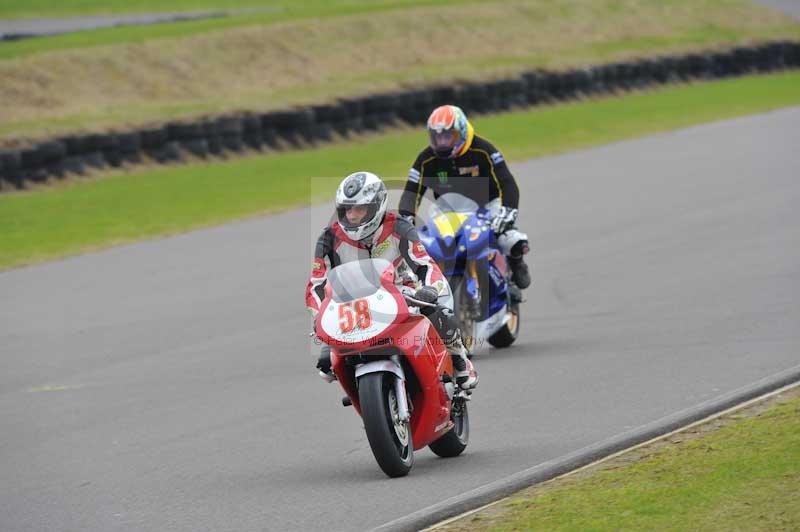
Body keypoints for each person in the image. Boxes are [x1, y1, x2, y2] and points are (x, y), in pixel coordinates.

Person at [305, 171, 478, 390]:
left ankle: (460, 360)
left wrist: (430, 290)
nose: (352, 216)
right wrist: (319, 314)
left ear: (377, 206)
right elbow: (316, 284)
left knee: (440, 310)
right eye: (347, 209)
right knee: (326, 365)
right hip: (354, 305)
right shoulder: (328, 238)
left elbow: (424, 263)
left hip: (402, 293)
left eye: (359, 208)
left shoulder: (399, 226)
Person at [398, 104, 531, 289]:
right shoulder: (426, 159)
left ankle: (517, 262)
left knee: (510, 238)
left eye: (447, 136)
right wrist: (406, 219)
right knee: (422, 246)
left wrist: (507, 212)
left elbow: (507, 182)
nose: (442, 142)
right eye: (437, 137)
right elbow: (411, 192)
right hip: (447, 211)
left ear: (461, 132)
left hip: (487, 206)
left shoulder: (484, 150)